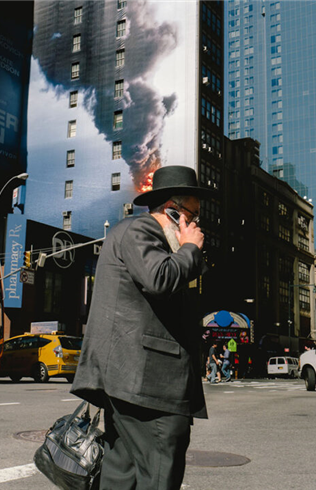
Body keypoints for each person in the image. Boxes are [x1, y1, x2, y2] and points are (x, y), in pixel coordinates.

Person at [72, 165, 213, 490]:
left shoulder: (153, 240)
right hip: (148, 386)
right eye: (193, 216)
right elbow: (160, 279)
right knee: (159, 475)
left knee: (123, 476)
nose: (196, 226)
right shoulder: (141, 231)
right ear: (174, 212)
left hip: (134, 385)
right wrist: (190, 246)